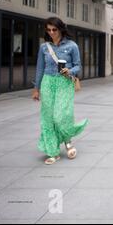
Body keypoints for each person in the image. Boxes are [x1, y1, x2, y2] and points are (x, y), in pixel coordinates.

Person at [32, 17, 88, 165]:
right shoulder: (44, 47)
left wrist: (69, 70)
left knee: (60, 115)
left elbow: (78, 66)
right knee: (48, 118)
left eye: (54, 29)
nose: (51, 32)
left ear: (61, 29)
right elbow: (40, 69)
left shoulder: (72, 46)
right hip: (48, 82)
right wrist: (36, 89)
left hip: (64, 83)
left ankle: (68, 140)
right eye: (48, 30)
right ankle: (52, 151)